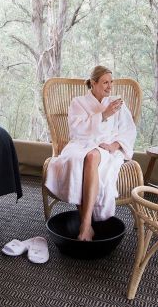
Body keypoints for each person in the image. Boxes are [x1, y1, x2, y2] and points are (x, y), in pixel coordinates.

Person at [45, 66, 137, 241]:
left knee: (93, 156)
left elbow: (128, 130)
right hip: (80, 144)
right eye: (105, 83)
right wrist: (103, 115)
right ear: (93, 83)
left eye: (111, 82)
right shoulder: (78, 102)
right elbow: (76, 130)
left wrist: (115, 145)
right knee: (78, 159)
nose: (109, 86)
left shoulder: (117, 103)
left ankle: (85, 224)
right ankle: (86, 225)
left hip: (107, 148)